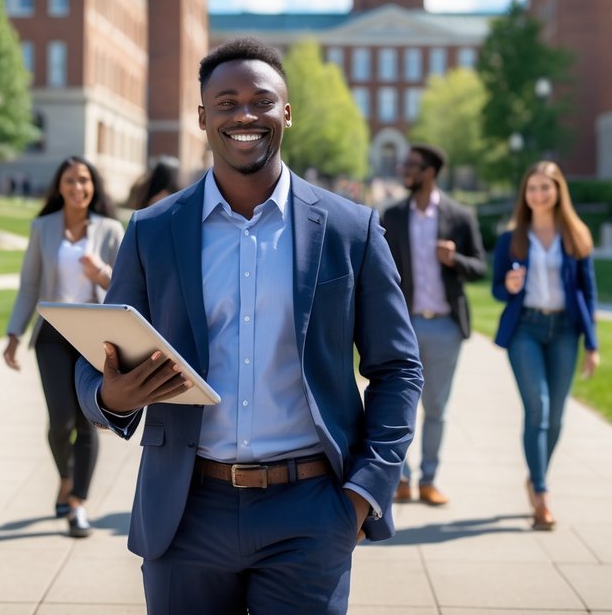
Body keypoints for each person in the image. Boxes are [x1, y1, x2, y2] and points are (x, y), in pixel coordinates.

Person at [75, 37, 422, 614]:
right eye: (227, 101)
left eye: (261, 101)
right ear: (203, 116)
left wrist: (364, 494)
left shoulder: (349, 229)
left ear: (285, 113)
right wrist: (110, 395)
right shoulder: (153, 229)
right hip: (184, 511)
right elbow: (101, 363)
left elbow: (398, 368)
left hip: (311, 511)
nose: (245, 115)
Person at [3, 155, 124, 538]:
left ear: (94, 187)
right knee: (59, 421)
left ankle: (78, 505)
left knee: (89, 419)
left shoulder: (109, 229)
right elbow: (28, 285)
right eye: (70, 180)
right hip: (53, 334)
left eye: (85, 180)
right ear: (59, 186)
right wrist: (13, 334)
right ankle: (66, 476)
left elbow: (125, 287)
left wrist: (100, 273)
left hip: (94, 335)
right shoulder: (43, 228)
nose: (78, 187)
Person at [491, 160, 599, 531]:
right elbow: (496, 289)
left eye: (546, 187)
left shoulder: (575, 236)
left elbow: (588, 291)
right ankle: (541, 493)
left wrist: (593, 344)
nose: (538, 194)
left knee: (556, 416)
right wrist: (509, 285)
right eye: (532, 188)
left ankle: (535, 474)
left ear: (558, 191)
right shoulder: (512, 238)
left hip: (565, 331)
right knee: (538, 406)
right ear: (525, 193)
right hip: (527, 329)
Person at [381, 143, 486, 507]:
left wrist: (454, 259)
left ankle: (428, 480)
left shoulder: (459, 215)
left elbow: (480, 267)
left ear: (430, 172)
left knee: (436, 408)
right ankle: (401, 479)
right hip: (404, 326)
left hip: (445, 326)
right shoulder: (392, 216)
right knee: (398, 406)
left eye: (412, 165)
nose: (404, 170)